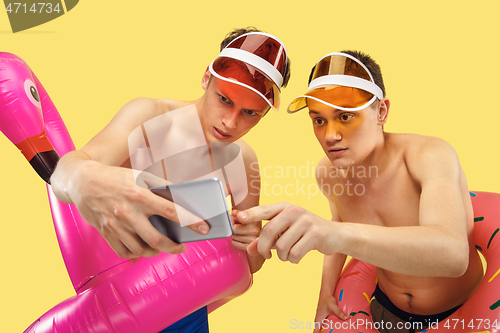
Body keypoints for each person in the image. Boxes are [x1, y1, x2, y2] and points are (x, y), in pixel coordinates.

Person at [50, 27, 291, 332]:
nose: (231, 122)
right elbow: (66, 171)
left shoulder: (244, 162)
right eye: (225, 100)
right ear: (207, 78)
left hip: (185, 311)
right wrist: (80, 177)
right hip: (115, 299)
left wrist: (253, 245)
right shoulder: (150, 116)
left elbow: (251, 264)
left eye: (250, 113)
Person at [233, 51, 483, 333]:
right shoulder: (328, 173)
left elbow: (453, 255)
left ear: (382, 112)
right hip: (387, 310)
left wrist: (334, 234)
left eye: (345, 116)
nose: (330, 135)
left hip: (464, 312)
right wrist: (325, 295)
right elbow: (339, 222)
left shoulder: (429, 155)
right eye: (319, 120)